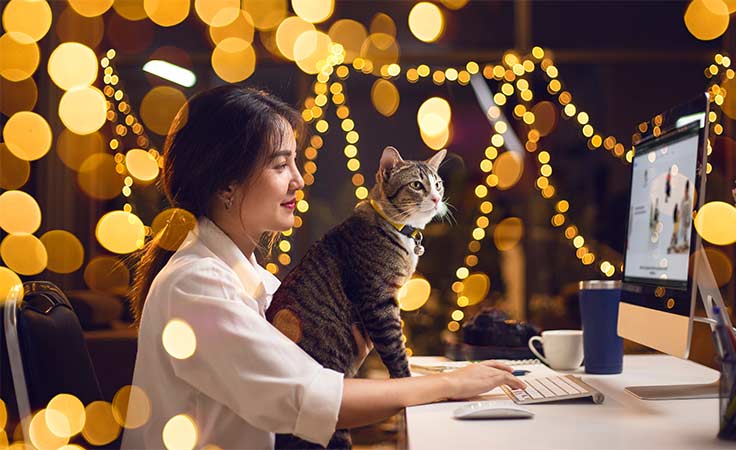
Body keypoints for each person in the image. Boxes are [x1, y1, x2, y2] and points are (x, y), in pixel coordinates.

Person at [121, 86, 524, 449]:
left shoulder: (253, 278)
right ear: (226, 184)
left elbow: (316, 380)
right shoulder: (196, 285)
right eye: (280, 166)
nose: (298, 179)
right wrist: (450, 384)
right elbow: (313, 400)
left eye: (295, 163)